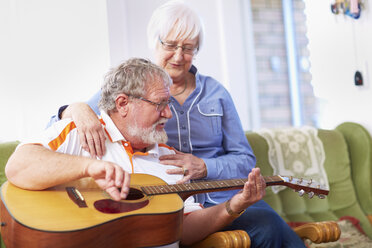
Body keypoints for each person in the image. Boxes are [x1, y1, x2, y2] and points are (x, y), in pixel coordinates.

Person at [47, 1, 306, 247]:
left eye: (189, 47)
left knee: (268, 223)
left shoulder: (216, 93)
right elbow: (54, 128)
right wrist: (75, 108)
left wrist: (205, 166)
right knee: (268, 226)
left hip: (221, 196)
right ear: (155, 42)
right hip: (164, 202)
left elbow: (245, 160)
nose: (179, 56)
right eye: (170, 44)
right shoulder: (135, 87)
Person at [6, 58, 266, 247]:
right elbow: (18, 166)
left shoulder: (169, 160)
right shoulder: (79, 131)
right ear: (123, 104)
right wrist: (88, 168)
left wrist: (234, 206)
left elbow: (183, 230)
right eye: (160, 104)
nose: (168, 114)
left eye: (169, 104)